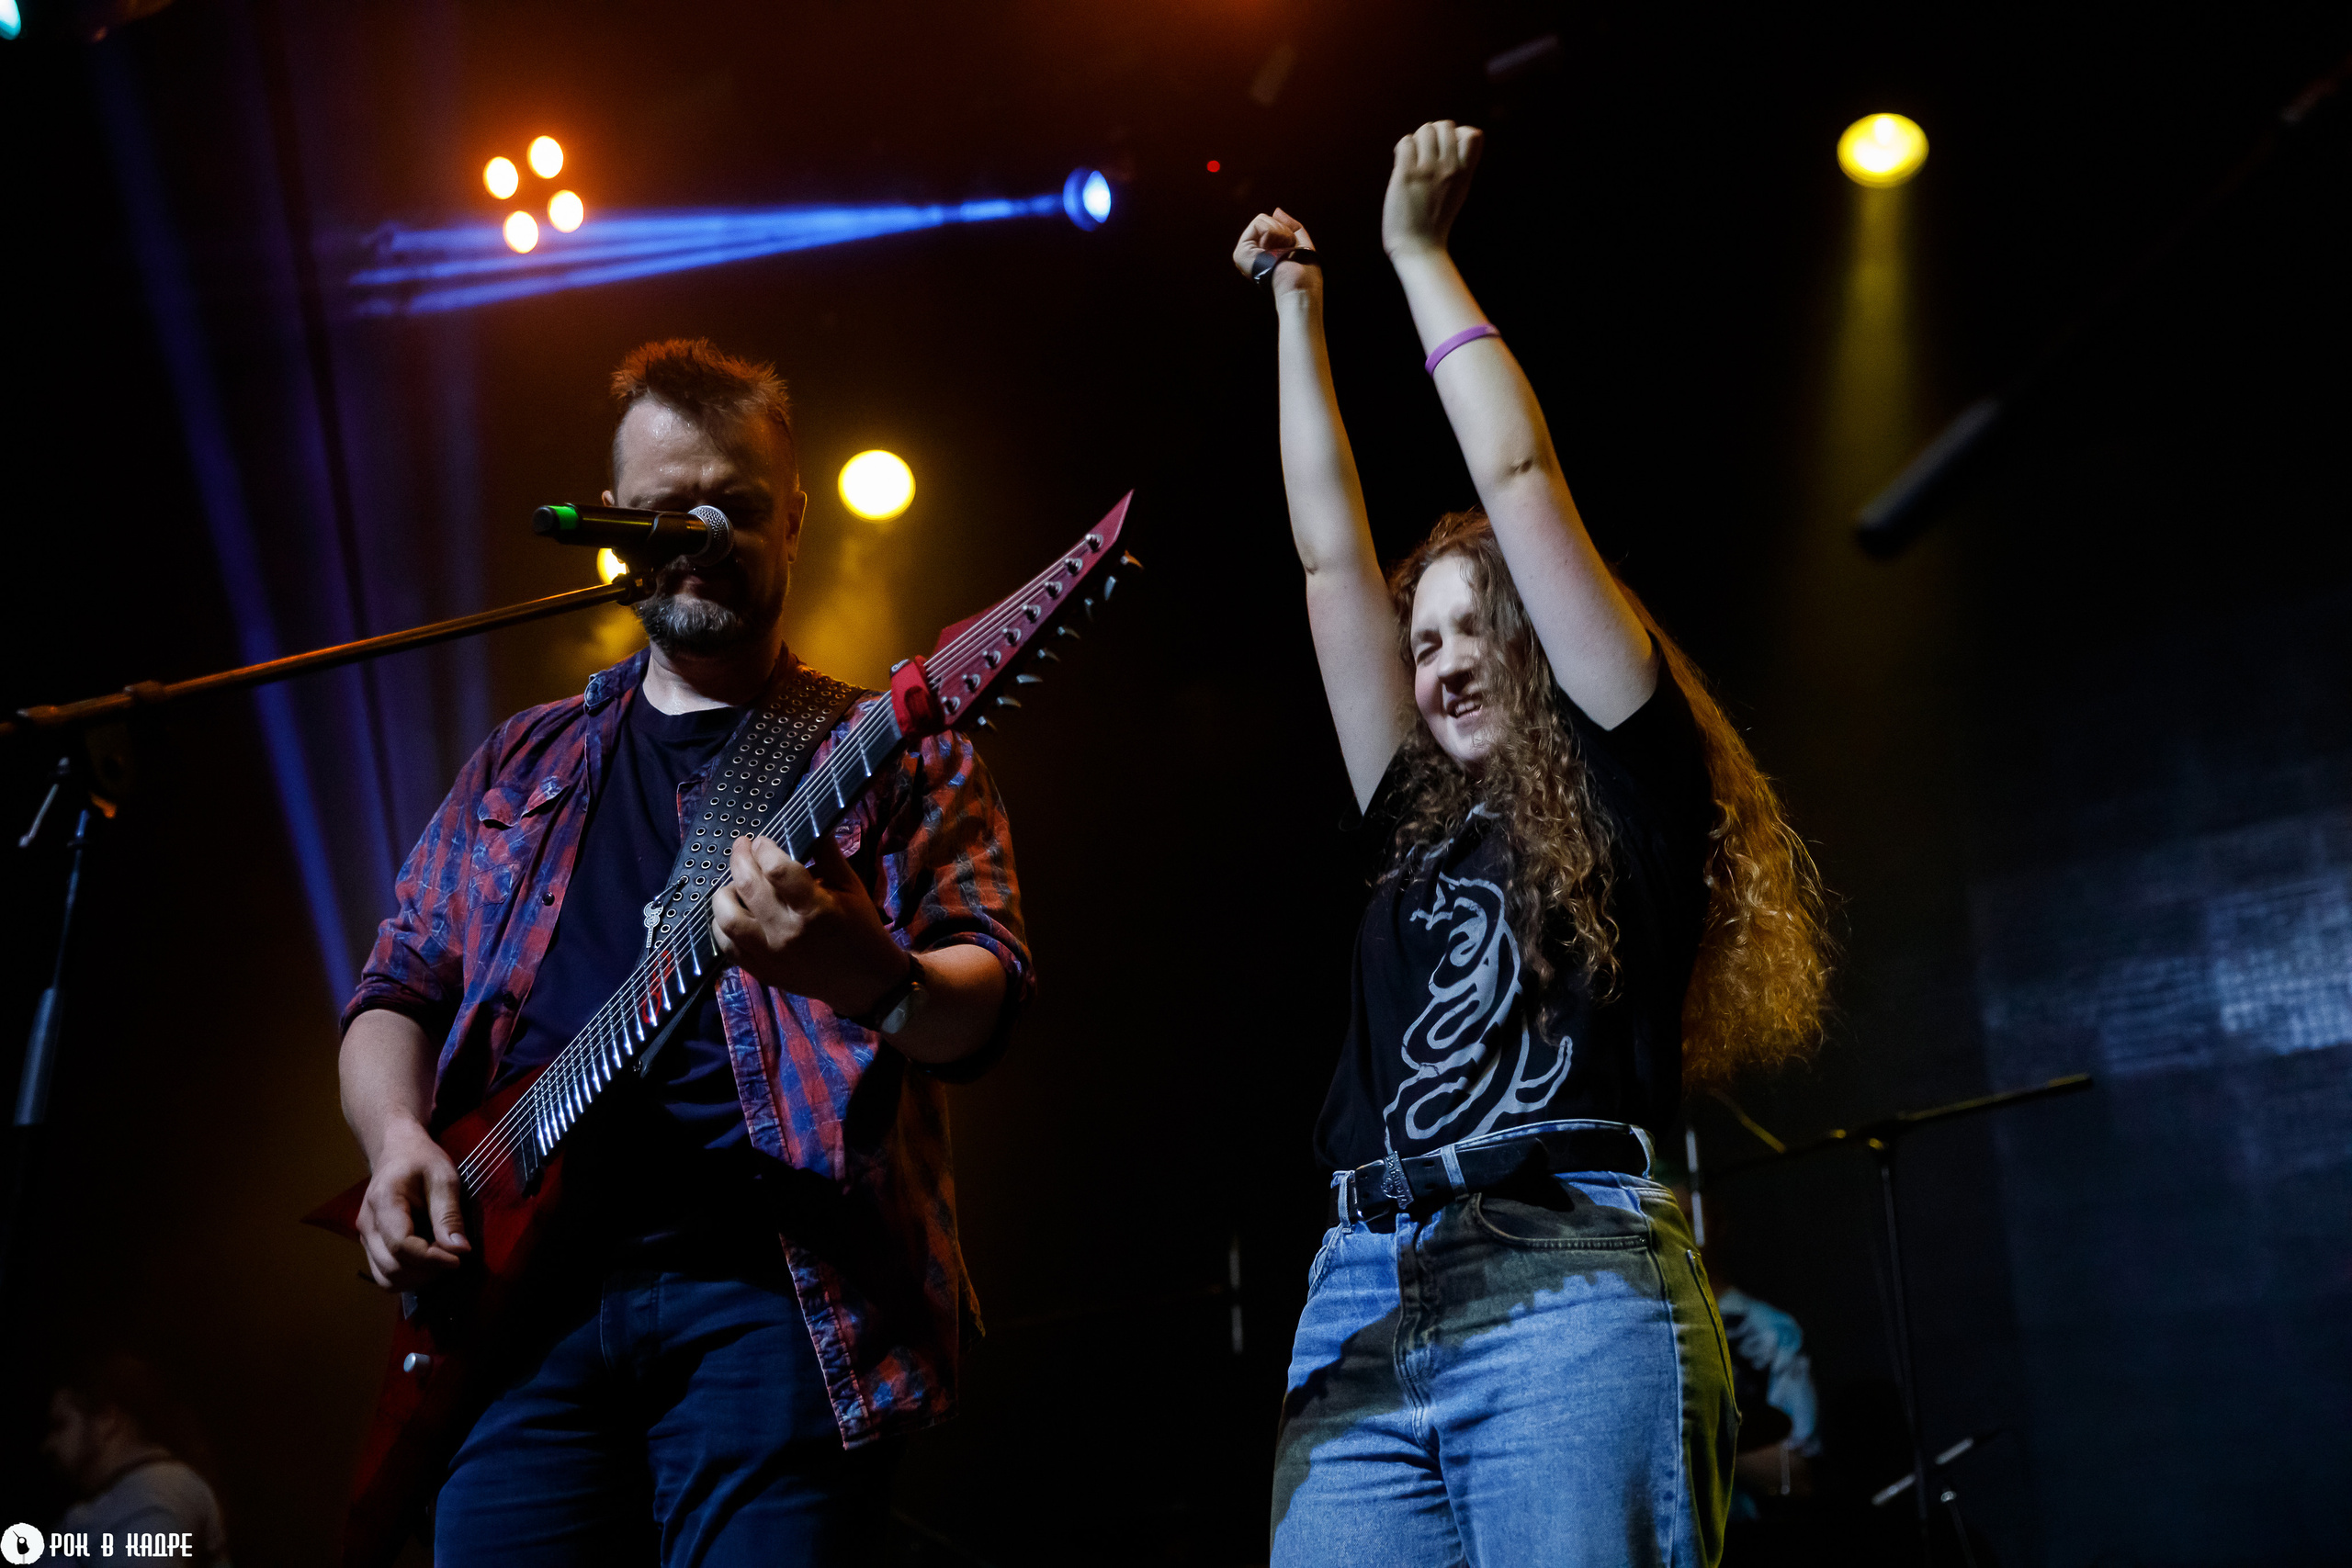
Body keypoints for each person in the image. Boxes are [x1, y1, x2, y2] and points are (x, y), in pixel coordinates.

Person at [1235, 123, 1830, 1567]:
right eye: (1419, 635)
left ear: (1538, 638)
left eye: (1469, 626)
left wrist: (1417, 256)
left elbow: (1516, 476)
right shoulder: (1403, 817)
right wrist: (1296, 312)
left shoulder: (1632, 773)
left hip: (1566, 1270)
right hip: (1361, 1294)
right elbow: (1327, 556)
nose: (1436, 661)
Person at [337, 338, 1031, 1566]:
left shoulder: (900, 750)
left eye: (734, 507)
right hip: (523, 1311)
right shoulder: (522, 760)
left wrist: (862, 972)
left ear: (797, 520)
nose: (697, 537)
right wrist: (396, 1139)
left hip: (775, 1298)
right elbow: (396, 986)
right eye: (661, 514)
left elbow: (981, 1002)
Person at [44, 1355, 231, 1565]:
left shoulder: (156, 1495)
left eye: (61, 1424)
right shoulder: (126, 1498)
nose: (49, 1444)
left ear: (107, 1418)